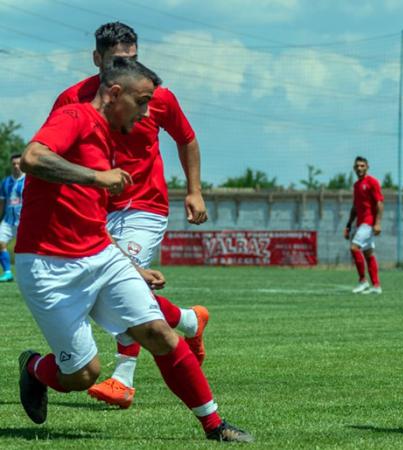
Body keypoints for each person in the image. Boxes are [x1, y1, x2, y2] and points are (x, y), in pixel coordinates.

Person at [15, 57, 251, 442]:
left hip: (101, 256)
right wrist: (96, 177)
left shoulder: (110, 137)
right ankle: (34, 369)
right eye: (141, 103)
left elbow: (91, 216)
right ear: (114, 93)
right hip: (48, 266)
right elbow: (33, 158)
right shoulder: (74, 116)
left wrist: (131, 266)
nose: (145, 114)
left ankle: (215, 426)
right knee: (83, 374)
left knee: (158, 332)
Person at [50, 22, 209, 409]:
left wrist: (194, 191)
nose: (128, 67)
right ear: (97, 59)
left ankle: (123, 378)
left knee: (125, 281)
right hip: (95, 210)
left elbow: (186, 138)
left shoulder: (156, 97)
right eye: (118, 60)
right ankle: (188, 320)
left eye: (133, 59)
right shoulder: (72, 98)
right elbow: (55, 151)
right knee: (102, 290)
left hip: (144, 206)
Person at [343, 156, 384, 294]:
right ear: (354, 168)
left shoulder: (372, 182)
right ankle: (376, 286)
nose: (359, 168)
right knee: (368, 254)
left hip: (369, 222)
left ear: (367, 167)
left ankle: (363, 281)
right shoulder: (356, 185)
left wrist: (378, 223)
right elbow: (355, 207)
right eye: (357, 166)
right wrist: (348, 225)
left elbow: (379, 203)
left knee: (354, 248)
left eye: (362, 166)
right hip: (360, 223)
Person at [0, 153, 25, 282]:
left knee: (26, 249)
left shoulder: (28, 181)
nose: (16, 166)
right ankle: (8, 273)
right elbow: (2, 203)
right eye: (14, 164)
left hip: (24, 221)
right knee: (0, 242)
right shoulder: (5, 182)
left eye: (18, 163)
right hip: (8, 220)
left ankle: (28, 273)